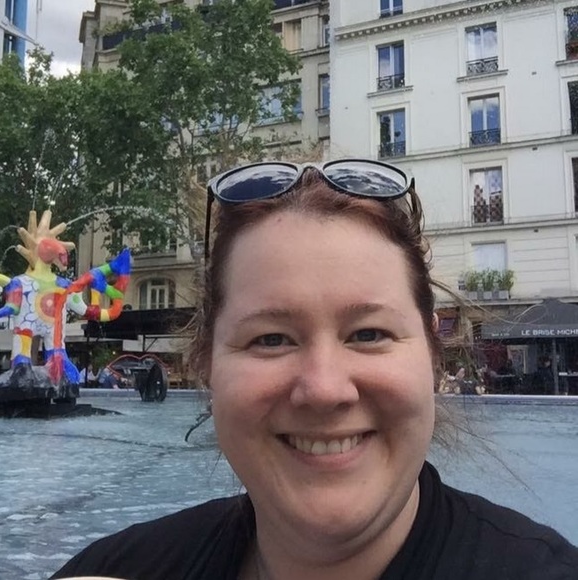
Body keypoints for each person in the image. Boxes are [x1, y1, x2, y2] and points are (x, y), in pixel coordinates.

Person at [51, 160, 578, 579]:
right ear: (206, 365)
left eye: (368, 334)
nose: (324, 389)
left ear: (433, 357)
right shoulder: (113, 570)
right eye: (271, 339)